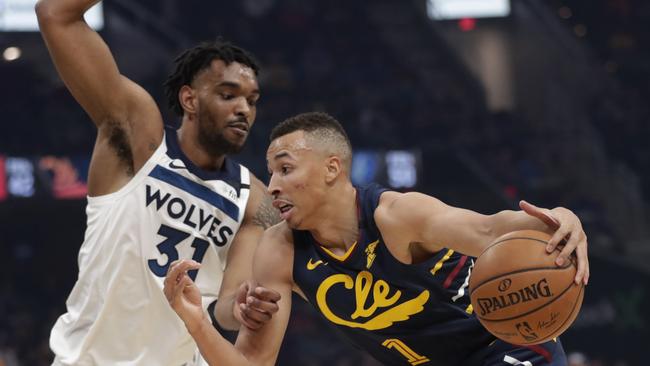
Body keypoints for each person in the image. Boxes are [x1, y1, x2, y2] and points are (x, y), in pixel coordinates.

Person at [166, 112, 590, 365]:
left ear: (332, 168)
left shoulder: (396, 215)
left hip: (508, 349)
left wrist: (562, 219)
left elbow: (490, 229)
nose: (272, 185)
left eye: (285, 168)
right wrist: (196, 322)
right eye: (271, 172)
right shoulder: (278, 251)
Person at [36, 0, 281, 365]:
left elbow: (227, 308)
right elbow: (54, 14)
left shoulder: (253, 198)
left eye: (251, 100)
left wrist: (245, 306)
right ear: (189, 99)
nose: (244, 109)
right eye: (228, 95)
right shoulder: (139, 137)